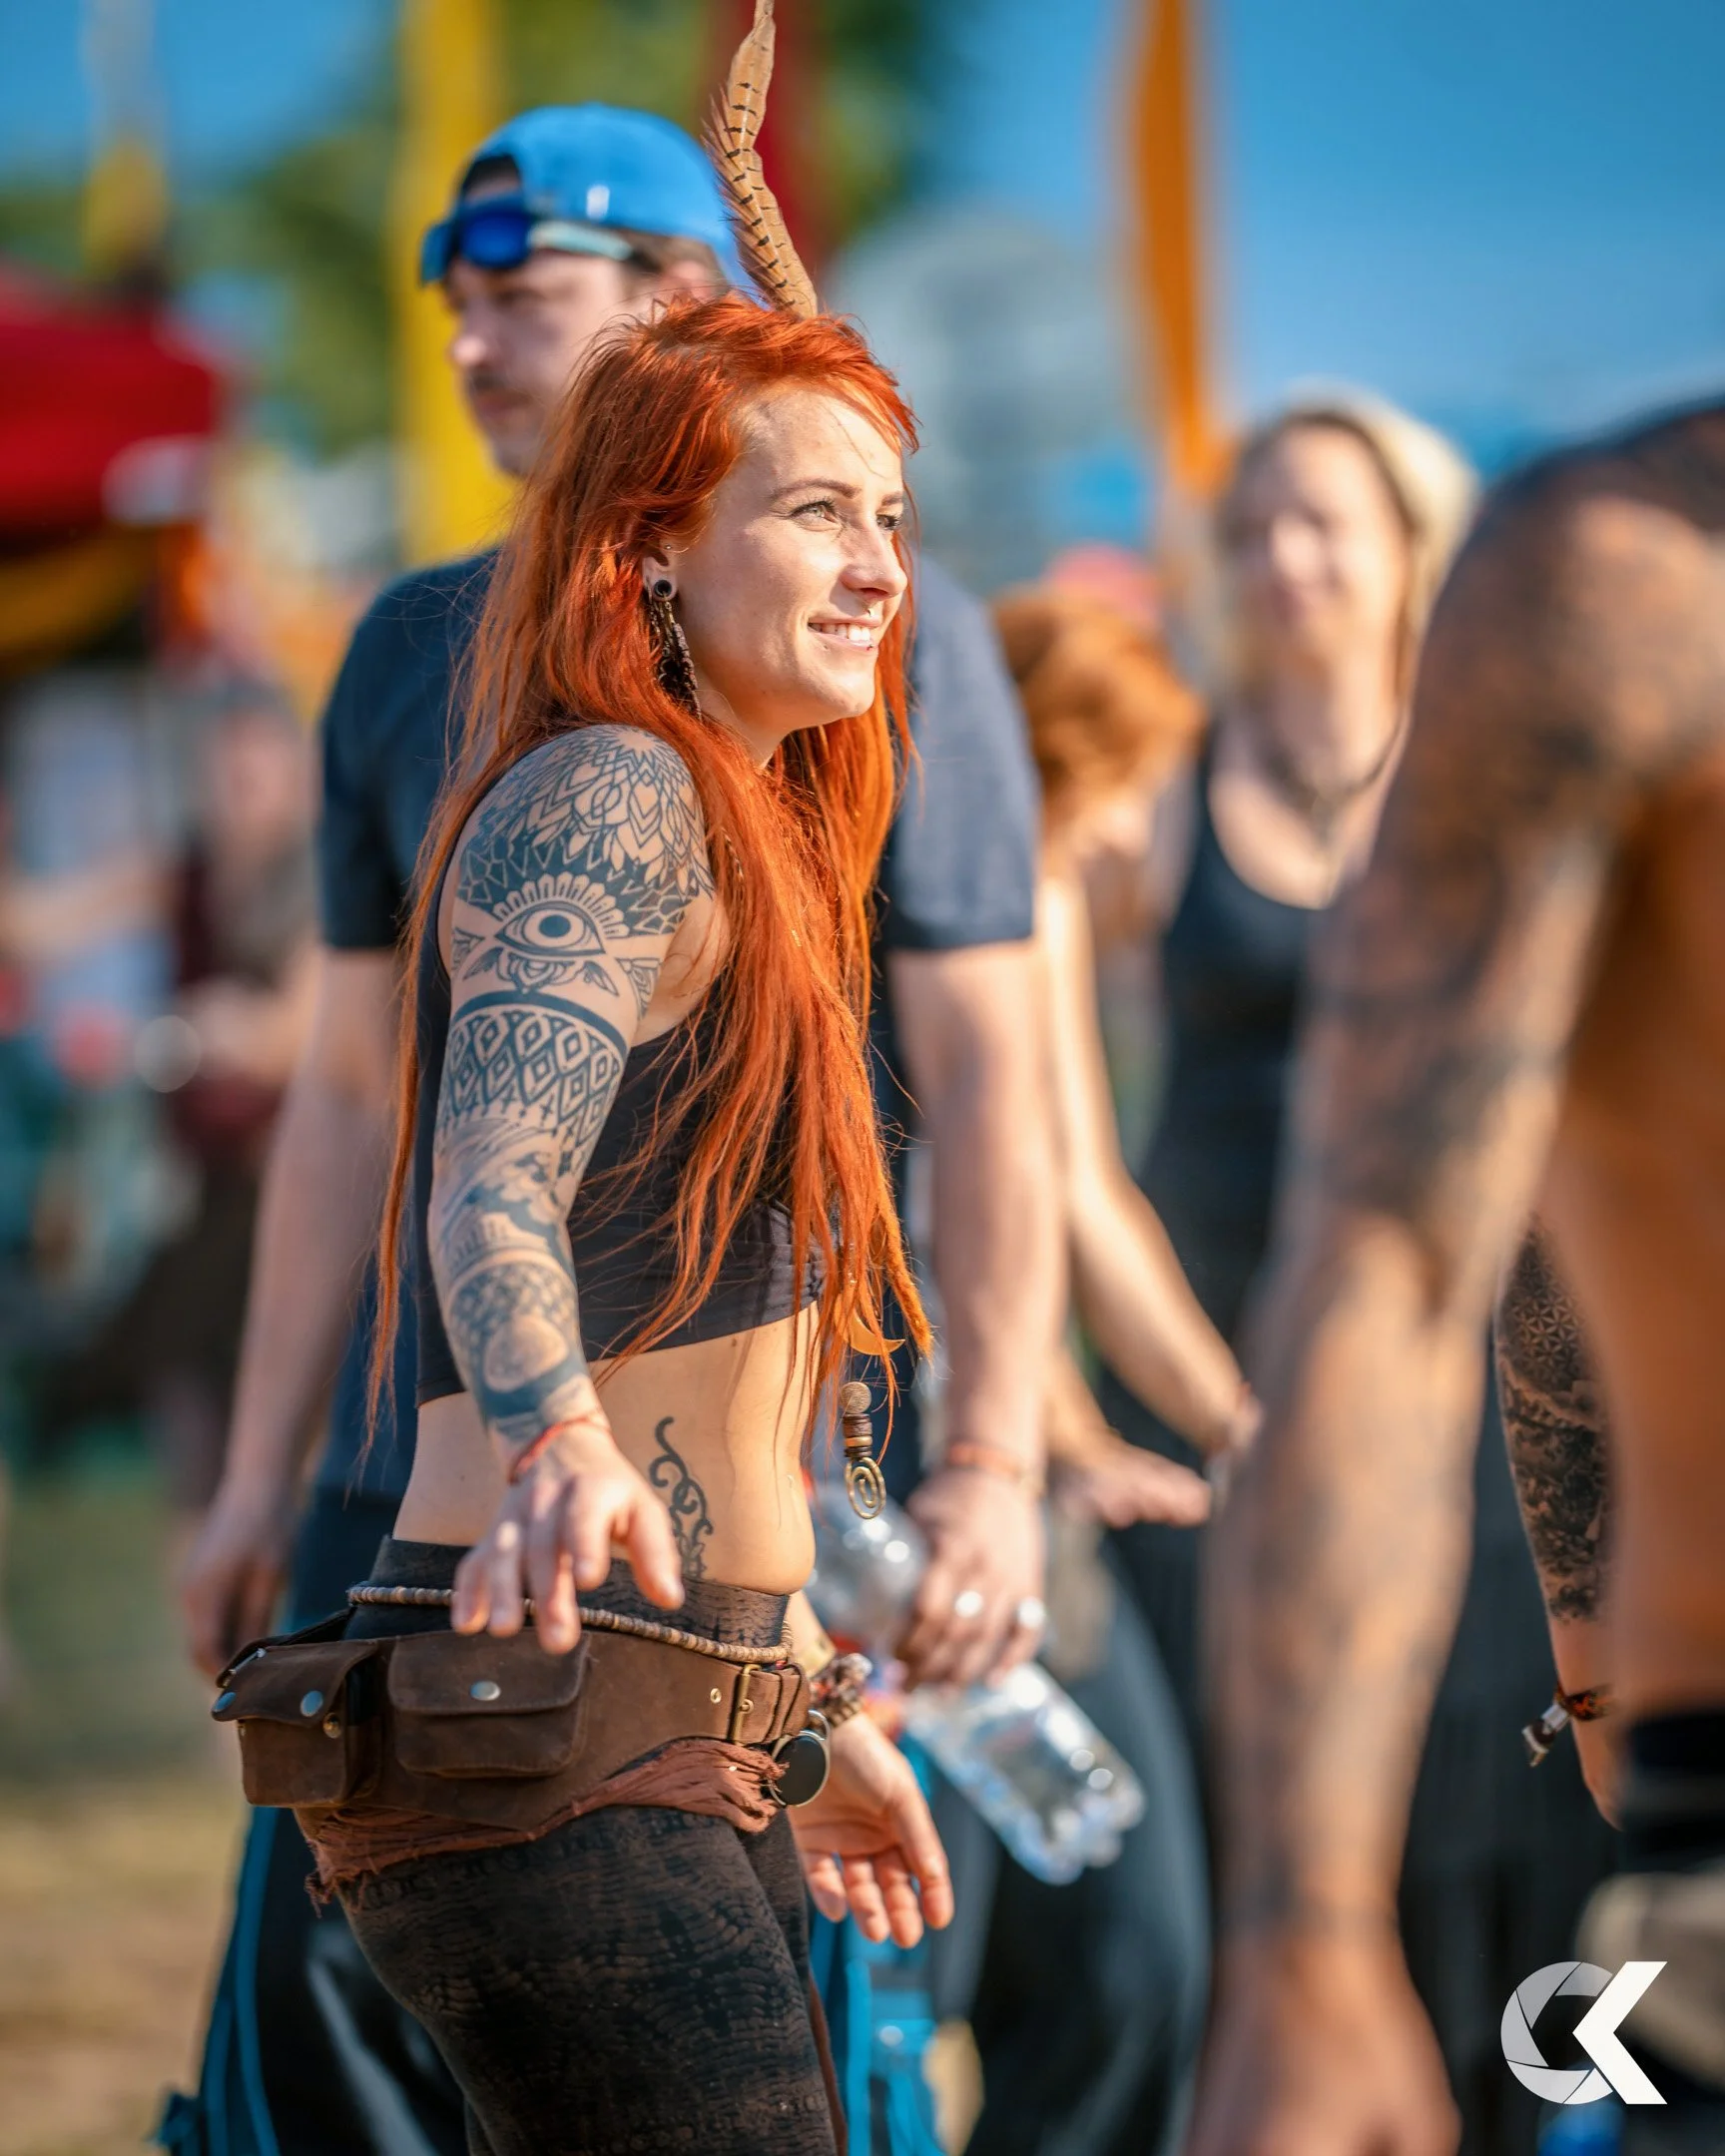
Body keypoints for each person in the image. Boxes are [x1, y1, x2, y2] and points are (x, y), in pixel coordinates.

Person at [174, 57, 1055, 2156]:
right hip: (544, 1712)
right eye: (817, 513)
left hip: (682, 1717)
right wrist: (559, 1434)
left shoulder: (756, 819)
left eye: (895, 521)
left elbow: (742, 1377)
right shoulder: (610, 793)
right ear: (658, 545)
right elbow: (486, 1169)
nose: (878, 573)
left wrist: (802, 1707)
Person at [1188, 396, 1725, 2156]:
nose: (1286, 561)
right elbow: (1423, 1266)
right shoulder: (1623, 572)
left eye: (1323, 521)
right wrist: (1304, 1941)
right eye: (1254, 521)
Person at [919, 583, 1244, 2156]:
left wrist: (1075, 1426)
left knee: (1078, 1950)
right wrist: (1243, 1429)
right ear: (1059, 761)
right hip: (928, 1496)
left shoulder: (1007, 887)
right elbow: (1063, 1200)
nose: (1129, 839)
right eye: (1121, 788)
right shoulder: (1016, 887)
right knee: (1036, 1953)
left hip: (997, 1470)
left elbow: (1040, 1215)